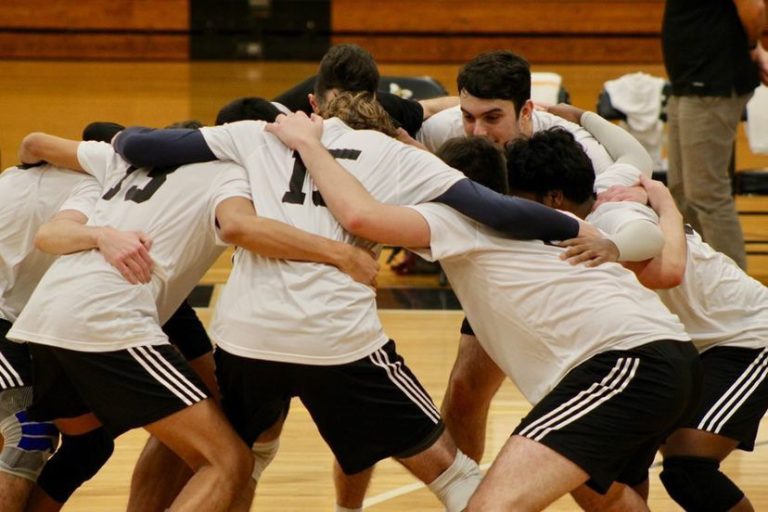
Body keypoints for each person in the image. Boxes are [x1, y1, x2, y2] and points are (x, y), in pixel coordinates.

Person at [110, 93, 599, 511]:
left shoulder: (258, 135)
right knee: (454, 476)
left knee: (238, 465)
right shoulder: (397, 154)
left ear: (317, 109)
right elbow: (497, 209)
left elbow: (137, 143)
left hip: (245, 337)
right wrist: (580, 228)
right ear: (389, 124)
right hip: (338, 342)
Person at [266, 111, 702, 511]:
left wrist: (311, 145)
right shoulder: (524, 214)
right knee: (605, 500)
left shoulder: (459, 222)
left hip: (625, 364)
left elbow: (361, 216)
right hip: (660, 357)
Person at [9, 126, 379, 512]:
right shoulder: (229, 170)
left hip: (45, 319)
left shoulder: (121, 161)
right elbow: (241, 226)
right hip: (106, 319)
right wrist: (340, 254)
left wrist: (100, 233)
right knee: (228, 462)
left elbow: (41, 182)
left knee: (86, 449)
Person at [507, 125, 768, 512]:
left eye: (521, 200)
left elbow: (665, 268)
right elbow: (633, 152)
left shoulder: (614, 215)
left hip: (747, 336)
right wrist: (576, 113)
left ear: (554, 197)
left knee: (688, 467)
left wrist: (662, 207)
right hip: (687, 345)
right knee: (621, 462)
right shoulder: (606, 185)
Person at [662, 0, 768, 270]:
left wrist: (751, 46)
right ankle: (699, 279)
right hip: (687, 81)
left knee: (706, 193)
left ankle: (736, 294)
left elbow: (754, 8)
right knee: (681, 191)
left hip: (712, 81)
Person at [274, 43, 458, 138]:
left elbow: (430, 107)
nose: (348, 112)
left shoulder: (382, 108)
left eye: (358, 104)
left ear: (372, 100)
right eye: (337, 105)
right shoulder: (283, 113)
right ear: (313, 103)